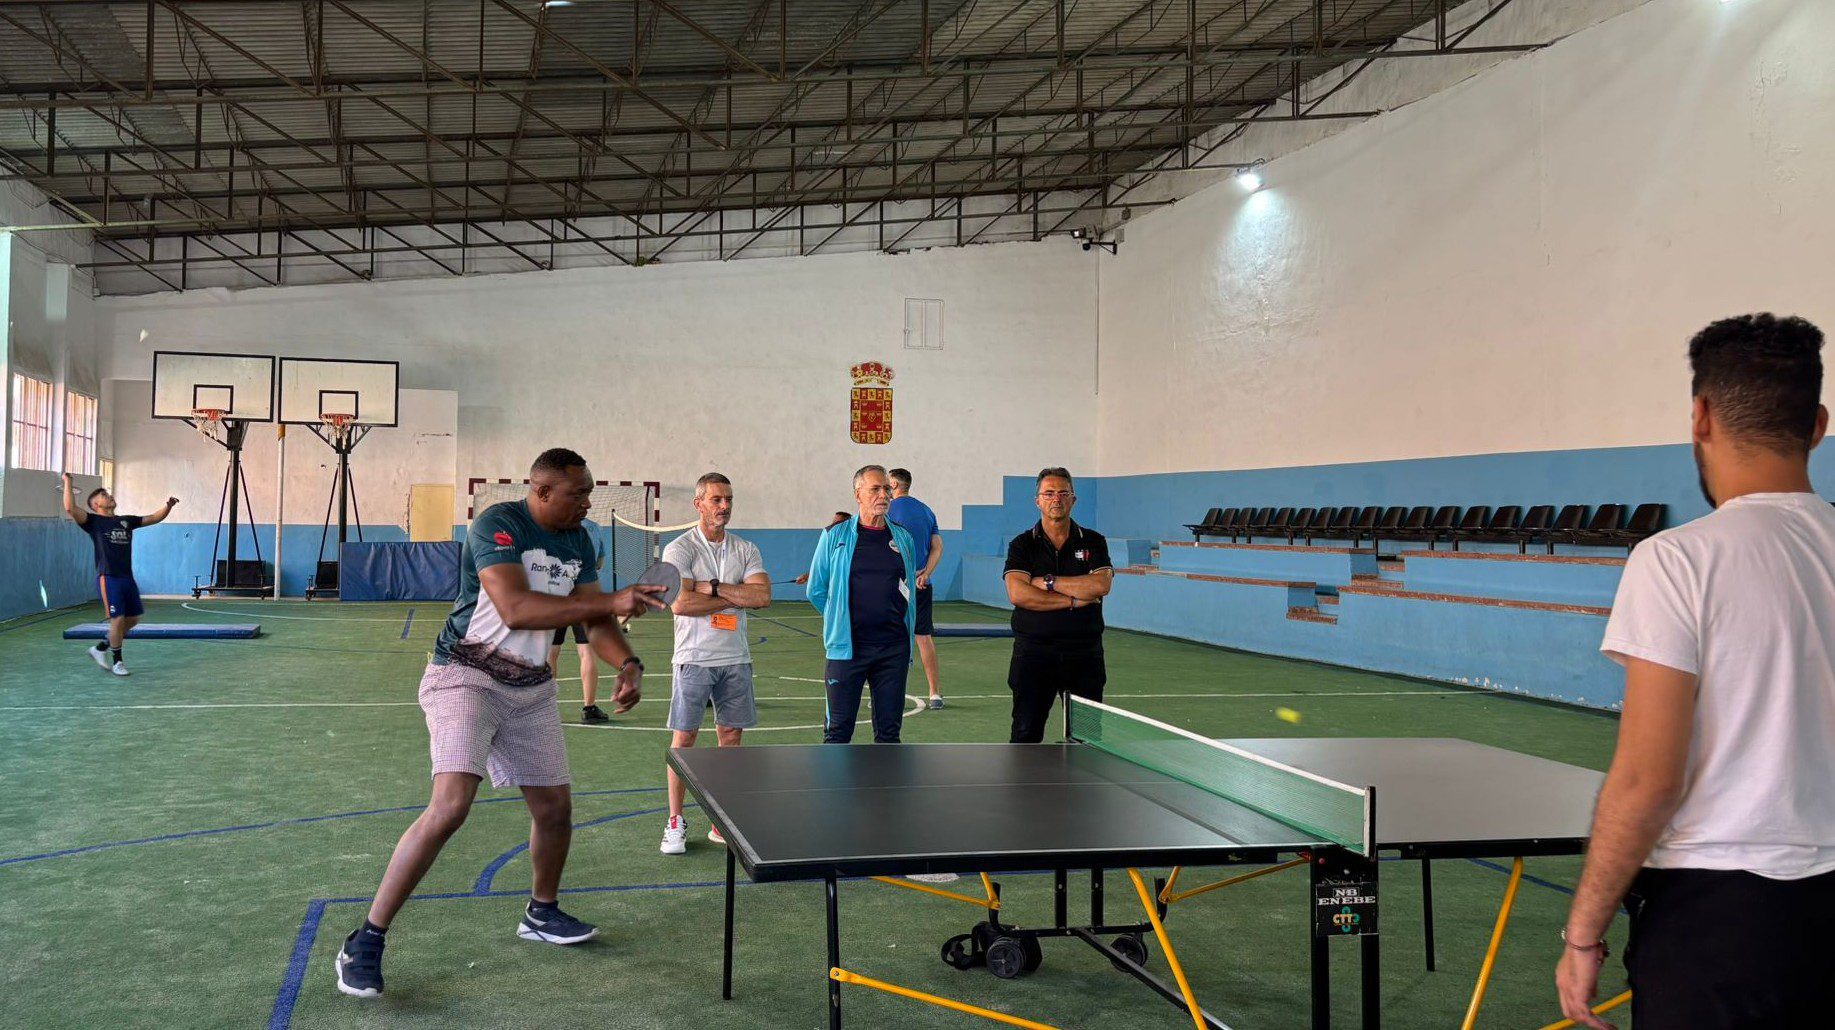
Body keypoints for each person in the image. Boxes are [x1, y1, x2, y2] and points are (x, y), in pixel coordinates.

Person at [1555, 314, 1835, 1030]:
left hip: (1724, 923)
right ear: (1817, 425)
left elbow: (1648, 780)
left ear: (1701, 416)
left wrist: (1582, 933)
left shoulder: (1676, 560)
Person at [336, 448, 666, 1000]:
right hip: (464, 676)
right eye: (578, 493)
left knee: (555, 809)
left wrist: (628, 663)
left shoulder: (580, 542)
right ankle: (365, 939)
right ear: (542, 491)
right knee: (450, 807)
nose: (587, 503)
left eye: (589, 493)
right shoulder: (497, 525)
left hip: (530, 688)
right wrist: (614, 598)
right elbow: (516, 608)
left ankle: (541, 912)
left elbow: (594, 618)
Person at [659, 473, 772, 854]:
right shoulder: (679, 549)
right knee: (684, 741)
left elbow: (762, 597)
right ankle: (675, 820)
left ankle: (721, 821)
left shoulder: (746, 549)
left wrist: (710, 588)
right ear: (699, 504)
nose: (724, 506)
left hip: (735, 658)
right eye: (716, 500)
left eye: (728, 500)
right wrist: (735, 595)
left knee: (731, 739)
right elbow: (680, 603)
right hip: (693, 659)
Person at [807, 466, 918, 744]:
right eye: (875, 489)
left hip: (893, 649)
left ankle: (885, 776)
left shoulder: (903, 538)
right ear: (858, 494)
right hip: (847, 649)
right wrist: (839, 618)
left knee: (889, 734)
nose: (883, 495)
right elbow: (816, 589)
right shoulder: (834, 536)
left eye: (887, 489)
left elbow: (908, 590)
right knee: (838, 732)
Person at [1001, 467, 1112, 743]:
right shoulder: (1022, 545)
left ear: (1073, 499)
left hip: (1085, 654)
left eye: (1063, 493)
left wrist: (1048, 582)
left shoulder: (1094, 541)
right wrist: (1074, 599)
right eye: (1048, 493)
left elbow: (1100, 585)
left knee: (1086, 739)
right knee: (1025, 736)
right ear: (1037, 501)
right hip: (1034, 654)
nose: (1056, 499)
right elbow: (1019, 594)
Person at [61, 474, 177, 677]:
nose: (109, 495)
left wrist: (168, 506)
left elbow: (153, 518)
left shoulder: (126, 521)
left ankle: (100, 648)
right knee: (117, 619)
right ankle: (118, 662)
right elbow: (70, 508)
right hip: (109, 577)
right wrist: (68, 482)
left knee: (132, 620)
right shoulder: (93, 521)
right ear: (96, 504)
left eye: (108, 493)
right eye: (104, 495)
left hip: (127, 578)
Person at [889, 468, 947, 709]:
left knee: (889, 638)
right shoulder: (927, 511)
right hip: (922, 585)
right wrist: (925, 573)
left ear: (894, 484)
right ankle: (935, 694)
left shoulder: (887, 510)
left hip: (893, 586)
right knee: (923, 637)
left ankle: (888, 694)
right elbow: (938, 547)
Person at [549, 516, 611, 723]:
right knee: (586, 651)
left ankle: (545, 707)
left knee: (551, 651)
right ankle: (589, 708)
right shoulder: (594, 528)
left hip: (556, 595)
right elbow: (599, 563)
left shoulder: (551, 525)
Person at [794, 512, 851, 585]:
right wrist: (807, 577)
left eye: (837, 523)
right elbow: (823, 567)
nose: (833, 526)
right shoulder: (830, 543)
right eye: (833, 522)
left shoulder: (853, 543)